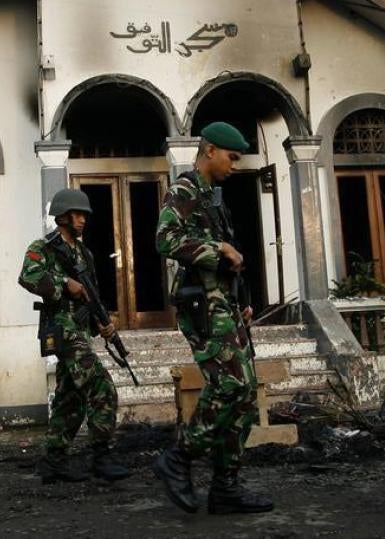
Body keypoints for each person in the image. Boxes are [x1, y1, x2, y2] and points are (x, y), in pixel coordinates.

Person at [152, 121, 272, 515]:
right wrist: (217, 247)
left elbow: (232, 261)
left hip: (226, 305)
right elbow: (165, 239)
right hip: (203, 308)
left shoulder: (213, 199)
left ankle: (226, 486)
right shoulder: (185, 189)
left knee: (243, 392)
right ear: (209, 151)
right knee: (228, 387)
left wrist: (245, 300)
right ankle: (179, 458)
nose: (235, 165)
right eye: (231, 157)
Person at [18, 188, 130, 484]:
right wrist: (62, 282)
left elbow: (90, 294)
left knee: (71, 397)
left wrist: (102, 324)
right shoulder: (43, 247)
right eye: (77, 215)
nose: (83, 220)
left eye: (84, 215)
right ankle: (100, 456)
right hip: (61, 328)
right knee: (102, 387)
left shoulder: (84, 254)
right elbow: (27, 276)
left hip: (79, 328)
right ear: (63, 216)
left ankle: (54, 462)